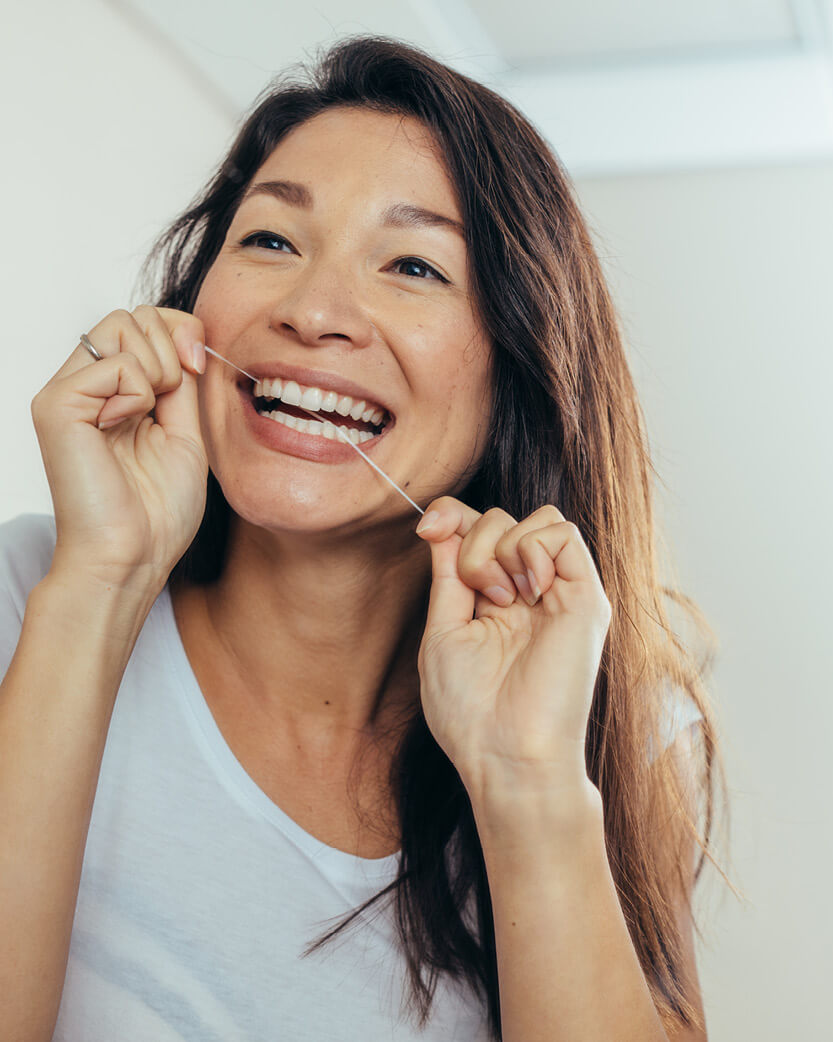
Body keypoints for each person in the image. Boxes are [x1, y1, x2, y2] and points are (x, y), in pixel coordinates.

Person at [0, 35, 729, 1042]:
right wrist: (101, 585)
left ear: (515, 365)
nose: (311, 311)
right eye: (268, 241)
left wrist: (526, 780)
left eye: (412, 264)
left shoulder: (612, 730)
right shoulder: (28, 593)